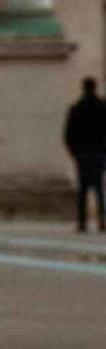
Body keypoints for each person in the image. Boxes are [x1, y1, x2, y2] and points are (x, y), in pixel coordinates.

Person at [64, 77, 106, 233]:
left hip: (83, 153)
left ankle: (82, 222)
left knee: (83, 188)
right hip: (99, 152)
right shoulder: (102, 107)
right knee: (99, 188)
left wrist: (74, 151)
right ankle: (102, 219)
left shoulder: (76, 108)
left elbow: (69, 133)